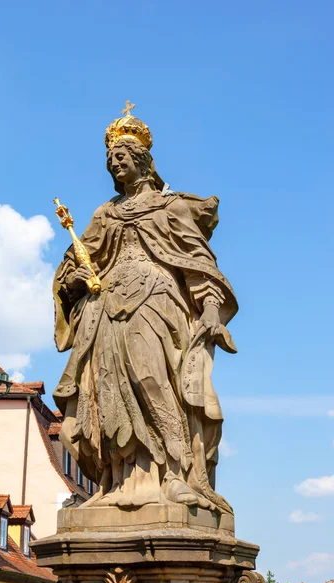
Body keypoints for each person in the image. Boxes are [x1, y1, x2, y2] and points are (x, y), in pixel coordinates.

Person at [53, 108, 237, 513]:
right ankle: (115, 482)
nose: (115, 164)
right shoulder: (106, 213)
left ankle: (174, 474)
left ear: (142, 161)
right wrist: (78, 279)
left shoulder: (170, 208)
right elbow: (76, 263)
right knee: (104, 389)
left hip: (155, 299)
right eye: (111, 160)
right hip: (105, 307)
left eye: (123, 157)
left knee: (153, 378)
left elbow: (198, 261)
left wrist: (209, 307)